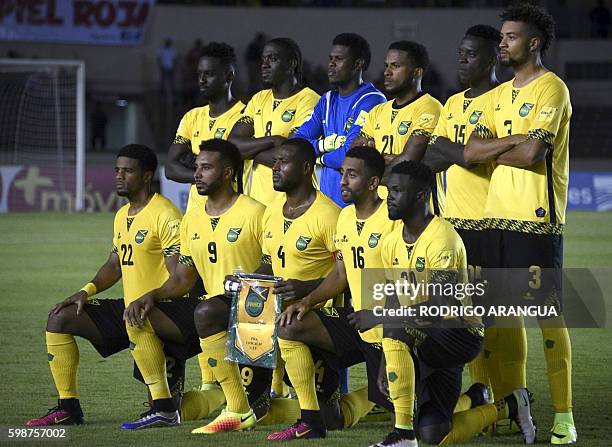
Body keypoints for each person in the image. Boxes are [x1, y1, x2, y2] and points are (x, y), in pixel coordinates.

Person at [26, 145, 200, 430]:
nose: (119, 176)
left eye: (127, 171)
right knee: (60, 317)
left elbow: (179, 277)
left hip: (161, 312)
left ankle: (166, 408)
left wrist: (153, 298)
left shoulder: (165, 214)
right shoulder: (122, 215)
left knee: (168, 397)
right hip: (130, 309)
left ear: (147, 176)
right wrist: (86, 290)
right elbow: (114, 265)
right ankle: (68, 407)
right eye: (117, 170)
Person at [465, 4, 576, 444]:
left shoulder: (553, 89)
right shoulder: (495, 96)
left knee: (548, 320)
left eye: (510, 37)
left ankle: (564, 416)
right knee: (493, 321)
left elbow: (534, 155)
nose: (502, 43)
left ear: (533, 43)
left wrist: (498, 147)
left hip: (536, 224)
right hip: (493, 220)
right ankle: (508, 404)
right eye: (501, 36)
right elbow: (471, 151)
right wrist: (511, 144)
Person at [371, 161, 535, 446]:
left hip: (458, 335)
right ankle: (503, 403)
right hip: (422, 334)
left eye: (397, 190)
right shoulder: (391, 242)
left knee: (397, 325)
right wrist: (385, 360)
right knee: (434, 434)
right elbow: (392, 297)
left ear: (421, 195)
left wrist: (384, 323)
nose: (389, 196)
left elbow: (439, 306)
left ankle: (402, 436)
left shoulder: (443, 239)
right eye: (388, 190)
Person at [275, 146, 398, 440]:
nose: (342, 181)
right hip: (358, 321)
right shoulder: (344, 218)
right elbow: (341, 273)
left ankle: (476, 400)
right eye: (342, 173)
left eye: (352, 175)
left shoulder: (392, 219)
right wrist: (306, 301)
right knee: (290, 323)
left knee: (419, 424)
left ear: (373, 183)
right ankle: (310, 420)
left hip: (392, 325)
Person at [423, 23, 501, 406]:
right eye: (460, 53)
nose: (462, 59)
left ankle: (503, 394)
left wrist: (460, 150)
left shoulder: (502, 100)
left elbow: (484, 155)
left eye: (471, 54)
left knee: (492, 319)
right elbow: (434, 155)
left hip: (488, 223)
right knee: (456, 320)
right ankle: (479, 393)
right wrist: (466, 150)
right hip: (450, 228)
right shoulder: (452, 103)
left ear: (493, 58)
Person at [294, 33, 387, 207]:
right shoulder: (327, 100)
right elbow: (297, 144)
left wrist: (317, 158)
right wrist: (323, 145)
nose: (331, 64)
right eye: (330, 59)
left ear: (358, 64)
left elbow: (349, 156)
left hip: (356, 206)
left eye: (339, 59)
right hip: (325, 203)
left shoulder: (372, 100)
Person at [353, 40, 444, 214]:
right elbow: (356, 157)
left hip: (416, 211)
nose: (386, 72)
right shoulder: (378, 111)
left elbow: (410, 162)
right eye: (386, 65)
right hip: (378, 210)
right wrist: (393, 159)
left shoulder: (430, 107)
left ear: (417, 72)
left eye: (395, 66)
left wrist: (375, 163)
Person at [229, 38, 319, 207]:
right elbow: (232, 144)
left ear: (291, 64)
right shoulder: (258, 98)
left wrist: (248, 150)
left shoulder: (309, 100)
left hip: (293, 206)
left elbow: (292, 158)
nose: (265, 64)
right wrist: (273, 140)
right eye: (263, 59)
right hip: (257, 205)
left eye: (273, 59)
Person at [167, 42, 245, 214]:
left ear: (228, 76)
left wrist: (194, 165)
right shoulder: (192, 117)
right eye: (199, 74)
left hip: (231, 215)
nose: (201, 80)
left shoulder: (245, 116)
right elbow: (170, 167)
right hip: (195, 216)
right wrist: (205, 175)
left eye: (208, 74)